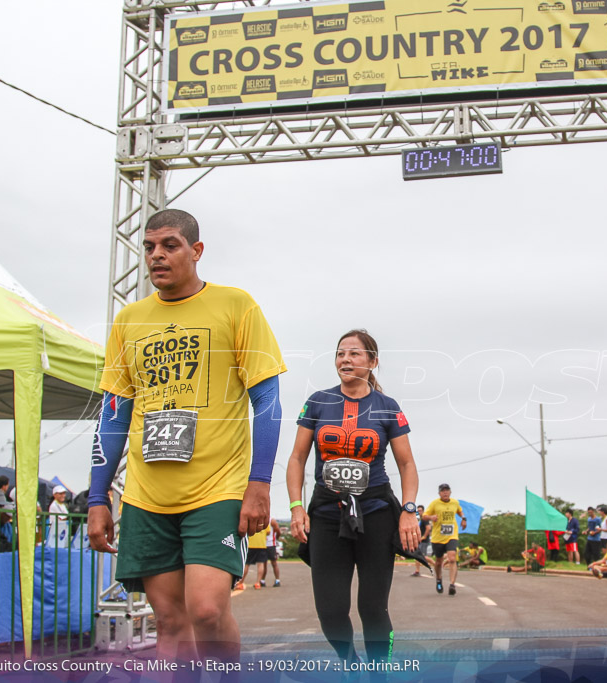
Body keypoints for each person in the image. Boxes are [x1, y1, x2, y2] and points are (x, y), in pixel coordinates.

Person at [87, 209, 286, 664]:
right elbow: (114, 415)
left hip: (216, 489)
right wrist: (98, 496)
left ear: (196, 251)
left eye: (170, 245)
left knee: (208, 610)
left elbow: (268, 403)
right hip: (146, 494)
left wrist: (259, 483)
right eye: (149, 247)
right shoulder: (129, 320)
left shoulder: (236, 305)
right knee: (171, 621)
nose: (157, 256)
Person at [286, 329, 420, 667]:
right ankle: (352, 664)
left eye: (355, 354)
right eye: (341, 353)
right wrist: (296, 507)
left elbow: (406, 463)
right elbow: (297, 459)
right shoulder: (317, 401)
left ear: (372, 362)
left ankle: (379, 672)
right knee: (330, 611)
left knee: (373, 608)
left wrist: (408, 510)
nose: (345, 359)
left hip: (375, 513)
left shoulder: (388, 408)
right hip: (327, 515)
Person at [423, 483, 467, 596]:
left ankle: (452, 584)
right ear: (439, 493)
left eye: (447, 490)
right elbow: (424, 516)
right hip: (438, 537)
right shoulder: (434, 504)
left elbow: (459, 510)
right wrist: (431, 517)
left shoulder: (455, 502)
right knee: (438, 562)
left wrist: (463, 518)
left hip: (451, 536)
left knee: (452, 557)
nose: (445, 492)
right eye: (443, 491)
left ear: (450, 492)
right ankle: (439, 579)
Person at [265, 518, 282, 587]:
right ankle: (262, 580)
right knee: (263, 564)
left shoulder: (272, 521)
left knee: (274, 563)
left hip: (271, 544)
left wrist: (275, 539)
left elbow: (278, 531)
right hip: (262, 545)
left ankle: (277, 580)